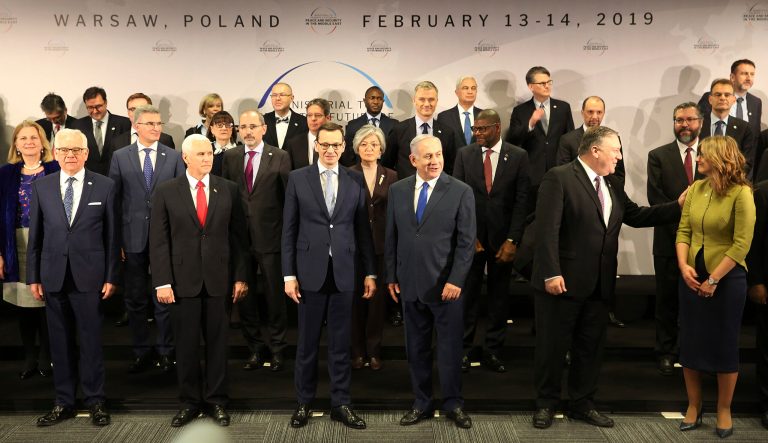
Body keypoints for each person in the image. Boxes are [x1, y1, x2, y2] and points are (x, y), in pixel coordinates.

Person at [531, 126, 683, 430]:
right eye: (616, 150)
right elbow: (546, 230)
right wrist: (551, 271)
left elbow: (637, 216)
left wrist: (678, 207)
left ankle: (582, 404)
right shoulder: (559, 177)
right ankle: (546, 404)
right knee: (553, 346)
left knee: (590, 347)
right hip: (562, 281)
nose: (620, 156)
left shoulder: (612, 183)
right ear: (595, 150)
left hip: (599, 283)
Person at [149, 134, 249, 428]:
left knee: (218, 345)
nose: (208, 158)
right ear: (186, 158)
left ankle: (217, 401)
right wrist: (162, 281)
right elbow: (159, 241)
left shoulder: (228, 189)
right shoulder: (167, 191)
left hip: (220, 279)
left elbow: (240, 239)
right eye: (201, 154)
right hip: (181, 282)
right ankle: (190, 402)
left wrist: (240, 276)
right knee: (187, 345)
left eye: (209, 153)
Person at [282, 122, 376, 429]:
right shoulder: (298, 178)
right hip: (308, 273)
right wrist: (288, 275)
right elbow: (289, 230)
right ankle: (303, 403)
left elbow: (363, 229)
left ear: (344, 146)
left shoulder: (355, 179)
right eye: (326, 145)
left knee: (340, 344)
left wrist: (370, 272)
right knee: (307, 344)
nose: (331, 150)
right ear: (316, 146)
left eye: (336, 145)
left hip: (345, 272)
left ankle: (341, 403)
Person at [27, 128, 119, 427]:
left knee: (91, 342)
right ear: (55, 153)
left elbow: (112, 237)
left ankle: (96, 400)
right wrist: (33, 277)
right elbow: (36, 237)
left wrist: (110, 276)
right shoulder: (42, 187)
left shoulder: (105, 186)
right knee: (59, 343)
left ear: (86, 153)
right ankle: (63, 402)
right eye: (64, 150)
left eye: (76, 150)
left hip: (90, 278)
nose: (70, 155)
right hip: (52, 277)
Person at [386, 134, 476, 429]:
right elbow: (392, 237)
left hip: (446, 287)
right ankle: (421, 403)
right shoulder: (398, 190)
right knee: (417, 349)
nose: (435, 160)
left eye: (438, 154)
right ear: (413, 160)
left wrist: (456, 280)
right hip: (409, 284)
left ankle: (453, 404)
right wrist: (391, 275)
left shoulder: (460, 191)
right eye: (427, 156)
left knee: (449, 351)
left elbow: (466, 243)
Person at [676, 135, 755, 438]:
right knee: (691, 341)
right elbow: (683, 230)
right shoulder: (696, 188)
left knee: (723, 345)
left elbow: (741, 244)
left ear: (719, 158)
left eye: (702, 155)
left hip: (727, 279)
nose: (697, 159)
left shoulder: (742, 193)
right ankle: (694, 405)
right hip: (692, 276)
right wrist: (683, 266)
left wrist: (713, 279)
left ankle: (724, 409)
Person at [108, 104, 186, 375]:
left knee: (164, 297)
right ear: (137, 126)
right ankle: (141, 351)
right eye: (150, 123)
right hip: (132, 238)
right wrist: (116, 239)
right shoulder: (120, 156)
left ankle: (166, 351)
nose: (156, 128)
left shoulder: (174, 157)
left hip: (165, 239)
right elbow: (114, 201)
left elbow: (181, 199)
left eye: (159, 123)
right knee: (136, 299)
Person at [453, 110, 529, 373]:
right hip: (472, 239)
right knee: (467, 296)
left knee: (499, 297)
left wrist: (513, 239)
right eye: (475, 129)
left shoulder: (518, 156)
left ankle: (493, 351)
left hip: (503, 240)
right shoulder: (465, 154)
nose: (477, 134)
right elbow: (457, 199)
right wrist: (467, 235)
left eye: (482, 129)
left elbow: (522, 201)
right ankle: (462, 349)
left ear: (497, 128)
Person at [221, 110, 291, 372]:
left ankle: (277, 349)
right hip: (239, 238)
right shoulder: (231, 156)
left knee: (274, 296)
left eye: (253, 126)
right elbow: (226, 196)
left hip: (271, 237)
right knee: (245, 297)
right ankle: (255, 348)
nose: (248, 131)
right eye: (243, 127)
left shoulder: (280, 156)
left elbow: (287, 199)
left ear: (264, 128)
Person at [647, 102, 705, 377]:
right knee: (667, 301)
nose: (684, 125)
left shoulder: (711, 155)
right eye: (679, 120)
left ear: (700, 123)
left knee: (699, 303)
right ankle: (666, 352)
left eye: (690, 120)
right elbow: (656, 200)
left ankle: (694, 351)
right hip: (667, 242)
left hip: (706, 245)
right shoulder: (658, 155)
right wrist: (681, 238)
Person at [0, 121, 59, 380]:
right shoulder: (5, 174)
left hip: (50, 245)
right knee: (24, 303)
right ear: (16, 144)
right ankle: (30, 357)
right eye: (23, 138)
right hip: (16, 244)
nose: (29, 142)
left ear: (42, 141)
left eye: (33, 137)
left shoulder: (55, 169)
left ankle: (47, 355)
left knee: (46, 301)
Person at [349, 124, 398, 371]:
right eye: (365, 144)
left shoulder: (391, 176)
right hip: (354, 247)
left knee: (377, 304)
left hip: (381, 246)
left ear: (381, 150)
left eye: (374, 144)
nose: (369, 148)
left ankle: (374, 350)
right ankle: (357, 352)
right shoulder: (347, 173)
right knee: (355, 302)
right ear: (357, 148)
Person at [506, 66, 575, 214]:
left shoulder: (563, 108)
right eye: (542, 83)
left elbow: (571, 139)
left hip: (559, 172)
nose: (547, 86)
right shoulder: (520, 111)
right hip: (532, 174)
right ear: (531, 86)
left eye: (549, 82)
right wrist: (530, 123)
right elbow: (512, 140)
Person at [382, 81, 458, 178]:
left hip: (438, 190)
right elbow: (387, 165)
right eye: (422, 99)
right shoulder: (399, 130)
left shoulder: (447, 133)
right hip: (406, 189)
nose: (427, 104)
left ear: (437, 101)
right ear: (414, 101)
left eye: (431, 99)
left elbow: (450, 167)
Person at [700, 79, 756, 178]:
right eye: (718, 94)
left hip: (732, 183)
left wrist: (729, 178)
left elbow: (747, 162)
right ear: (710, 99)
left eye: (727, 95)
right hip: (701, 183)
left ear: (733, 100)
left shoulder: (745, 128)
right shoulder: (698, 124)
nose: (722, 98)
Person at [746, 178, 768, 431]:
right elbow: (754, 241)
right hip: (767, 285)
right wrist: (757, 281)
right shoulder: (762, 192)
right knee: (767, 348)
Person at [74, 86, 132, 176]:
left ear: (106, 103)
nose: (95, 111)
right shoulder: (77, 126)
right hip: (89, 179)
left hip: (117, 178)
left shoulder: (124, 124)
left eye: (98, 106)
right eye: (90, 107)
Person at [698, 59, 762, 138]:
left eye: (752, 74)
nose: (749, 78)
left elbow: (755, 133)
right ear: (732, 77)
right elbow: (700, 126)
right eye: (744, 74)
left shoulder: (756, 102)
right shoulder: (712, 97)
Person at [342, 86, 398, 166]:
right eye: (372, 98)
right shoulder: (352, 126)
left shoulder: (394, 125)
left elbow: (396, 154)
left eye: (379, 98)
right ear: (364, 101)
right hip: (359, 174)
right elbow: (348, 157)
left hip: (387, 174)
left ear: (383, 101)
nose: (376, 102)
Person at [110, 93, 176, 152]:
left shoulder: (165, 140)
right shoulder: (117, 142)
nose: (137, 113)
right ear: (128, 112)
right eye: (133, 109)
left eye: (141, 109)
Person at [437, 76, 484, 148]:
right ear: (457, 92)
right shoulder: (444, 117)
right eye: (465, 88)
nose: (470, 91)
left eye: (473, 88)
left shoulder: (485, 116)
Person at [283, 98, 330, 170]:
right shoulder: (293, 143)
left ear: (328, 118)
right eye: (309, 115)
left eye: (318, 115)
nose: (313, 119)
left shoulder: (337, 142)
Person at [263, 83, 308, 149]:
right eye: (274, 95)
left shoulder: (304, 122)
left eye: (282, 95)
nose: (277, 98)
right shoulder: (263, 121)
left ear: (292, 98)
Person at [206, 111, 238, 176]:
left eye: (227, 125)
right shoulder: (206, 150)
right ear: (212, 129)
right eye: (219, 125)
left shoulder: (241, 151)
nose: (224, 128)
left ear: (232, 129)